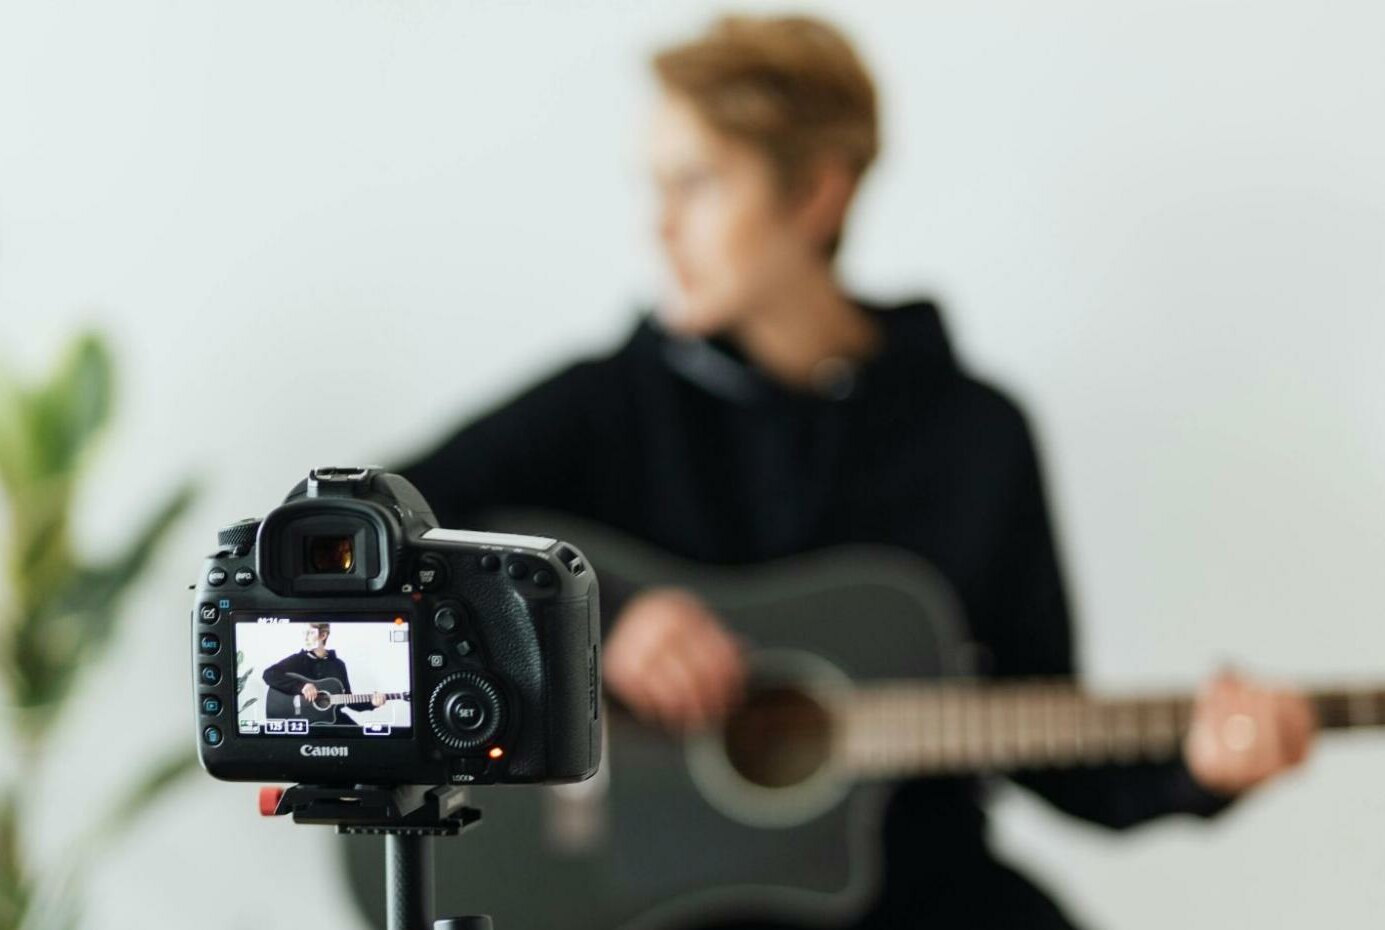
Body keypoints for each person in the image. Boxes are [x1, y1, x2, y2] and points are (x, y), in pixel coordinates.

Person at [397, 14, 1315, 929]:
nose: (660, 225)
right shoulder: (605, 406)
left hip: (910, 897)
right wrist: (595, 622)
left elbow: (1046, 733)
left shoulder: (975, 435)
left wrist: (1201, 767)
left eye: (698, 183)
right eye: (655, 184)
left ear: (817, 196)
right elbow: (380, 533)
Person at [262, 622, 386, 725]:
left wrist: (372, 703)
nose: (305, 638)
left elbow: (347, 699)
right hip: (302, 722)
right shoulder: (298, 660)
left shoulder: (338, 665)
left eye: (309, 633)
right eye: (304, 633)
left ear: (323, 635)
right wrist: (301, 686)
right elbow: (269, 674)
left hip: (331, 719)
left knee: (360, 738)